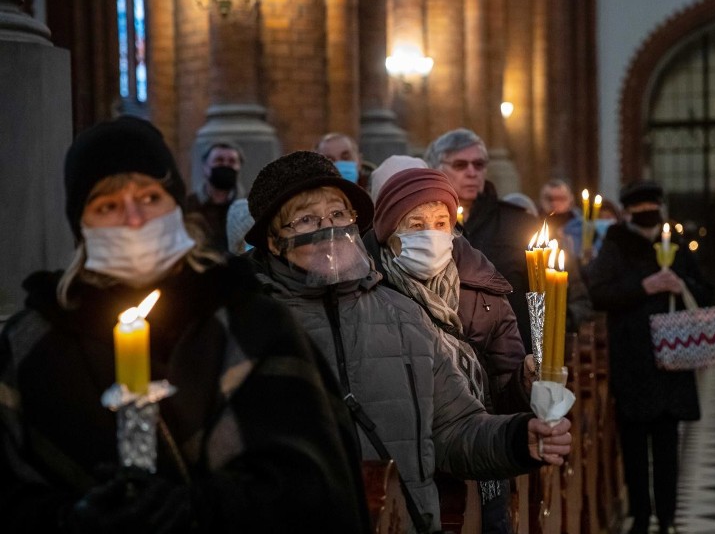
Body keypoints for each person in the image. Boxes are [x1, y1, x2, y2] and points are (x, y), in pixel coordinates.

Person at [0, 117, 370, 533]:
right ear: (80, 226)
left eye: (149, 197)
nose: (134, 219)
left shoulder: (251, 323)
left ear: (175, 205)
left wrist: (204, 507)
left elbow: (314, 486)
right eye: (107, 206)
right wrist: (73, 519)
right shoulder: (34, 344)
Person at [242, 151, 572, 533]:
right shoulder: (246, 327)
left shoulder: (401, 315)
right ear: (273, 239)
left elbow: (454, 429)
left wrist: (518, 440)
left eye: (337, 215)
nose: (328, 230)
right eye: (305, 220)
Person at [364, 168, 537, 533]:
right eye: (415, 224)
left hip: (479, 458)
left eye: (441, 221)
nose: (430, 233)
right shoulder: (366, 295)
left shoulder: (484, 291)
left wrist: (525, 379)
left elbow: (505, 397)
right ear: (389, 234)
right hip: (406, 469)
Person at [584, 179, 713, 534]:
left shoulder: (675, 245)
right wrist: (644, 287)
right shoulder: (616, 245)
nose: (647, 216)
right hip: (633, 358)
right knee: (635, 446)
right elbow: (598, 293)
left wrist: (681, 285)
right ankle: (641, 517)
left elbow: (706, 293)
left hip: (671, 361)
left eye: (651, 209)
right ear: (628, 213)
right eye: (639, 210)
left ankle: (668, 518)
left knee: (668, 446)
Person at [424, 128, 592, 350]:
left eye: (479, 164)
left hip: (514, 357)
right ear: (437, 169)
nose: (472, 172)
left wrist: (546, 328)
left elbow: (575, 295)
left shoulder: (518, 224)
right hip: (445, 352)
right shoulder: (423, 226)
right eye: (460, 165)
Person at [185, 141, 244, 253]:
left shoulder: (249, 208)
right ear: (205, 167)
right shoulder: (188, 207)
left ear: (239, 167)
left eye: (232, 161)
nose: (226, 165)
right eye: (219, 160)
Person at [538, 179, 583, 255]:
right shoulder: (532, 223)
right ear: (542, 199)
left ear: (570, 198)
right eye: (550, 198)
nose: (555, 203)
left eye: (560, 198)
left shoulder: (582, 226)